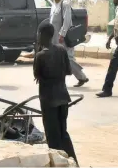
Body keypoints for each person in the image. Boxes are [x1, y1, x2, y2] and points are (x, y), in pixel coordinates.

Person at [33, 23, 79, 165]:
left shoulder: (40, 56)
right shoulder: (61, 50)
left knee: (52, 137)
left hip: (48, 101)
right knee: (63, 133)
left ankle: (59, 164)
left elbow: (36, 75)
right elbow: (69, 71)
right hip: (63, 98)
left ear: (41, 34)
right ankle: (74, 163)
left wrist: (37, 50)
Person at [50, 0, 89, 87]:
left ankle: (82, 77)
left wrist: (62, 34)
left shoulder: (65, 5)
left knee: (68, 59)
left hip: (63, 38)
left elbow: (67, 21)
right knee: (57, 59)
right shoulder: (54, 5)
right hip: (54, 38)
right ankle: (58, 80)